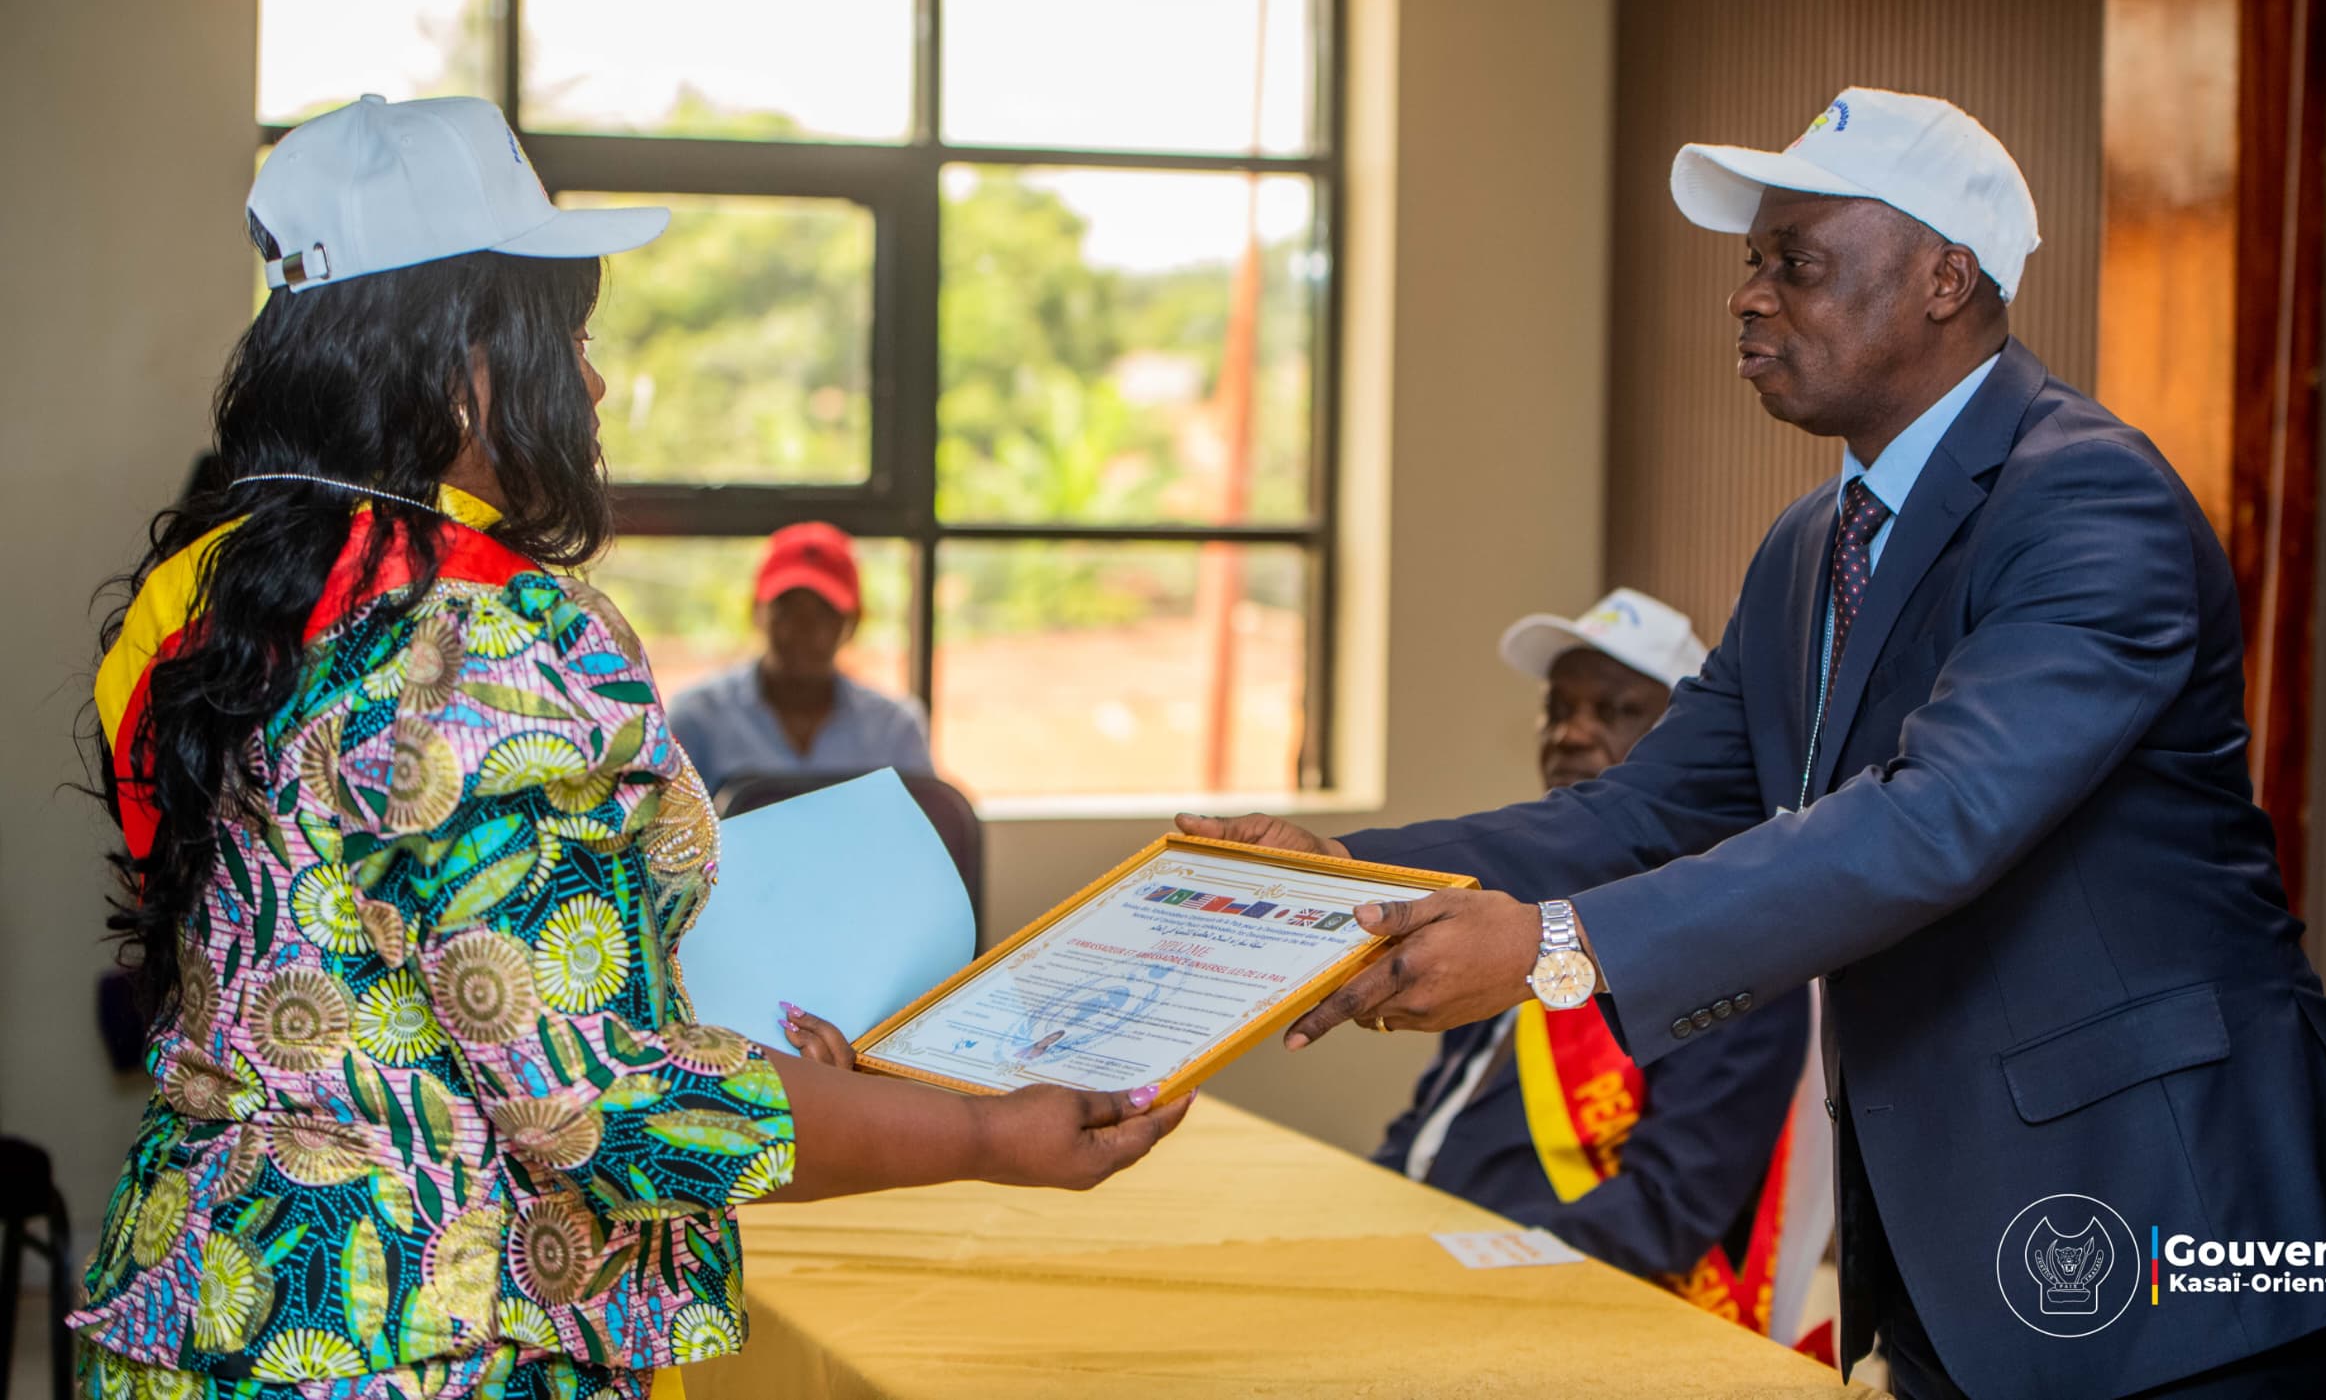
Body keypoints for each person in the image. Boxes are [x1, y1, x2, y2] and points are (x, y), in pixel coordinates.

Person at [1182, 89, 2326, 1398]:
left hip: (2162, 1209)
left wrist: (1556, 944)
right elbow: (1643, 808)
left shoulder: (2088, 494)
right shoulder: (1808, 547)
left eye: (1798, 262)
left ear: (1946, 279)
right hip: (1959, 1235)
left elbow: (1935, 817)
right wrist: (1349, 876)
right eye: (1752, 262)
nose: (1749, 296)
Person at [76, 94, 1188, 1400]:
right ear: (465, 361)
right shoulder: (483, 640)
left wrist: (723, 1042)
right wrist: (984, 1133)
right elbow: (595, 1105)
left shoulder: (224, 598)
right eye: (571, 340)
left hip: (217, 1303)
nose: (591, 385)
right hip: (425, 1342)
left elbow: (380, 976)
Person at [1374, 589, 1808, 1321]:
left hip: (1563, 1305)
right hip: (1435, 1260)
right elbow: (1436, 1117)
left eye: (1613, 711)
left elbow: (1665, 1213)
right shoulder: (1522, 909)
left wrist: (1459, 1270)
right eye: (1558, 708)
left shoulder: (1733, 946)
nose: (1571, 734)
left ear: (1690, 743)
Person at [667, 524, 932, 799]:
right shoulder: (696, 721)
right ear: (757, 612)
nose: (803, 628)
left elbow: (925, 822)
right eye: (786, 609)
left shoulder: (895, 729)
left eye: (823, 612)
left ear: (852, 623)